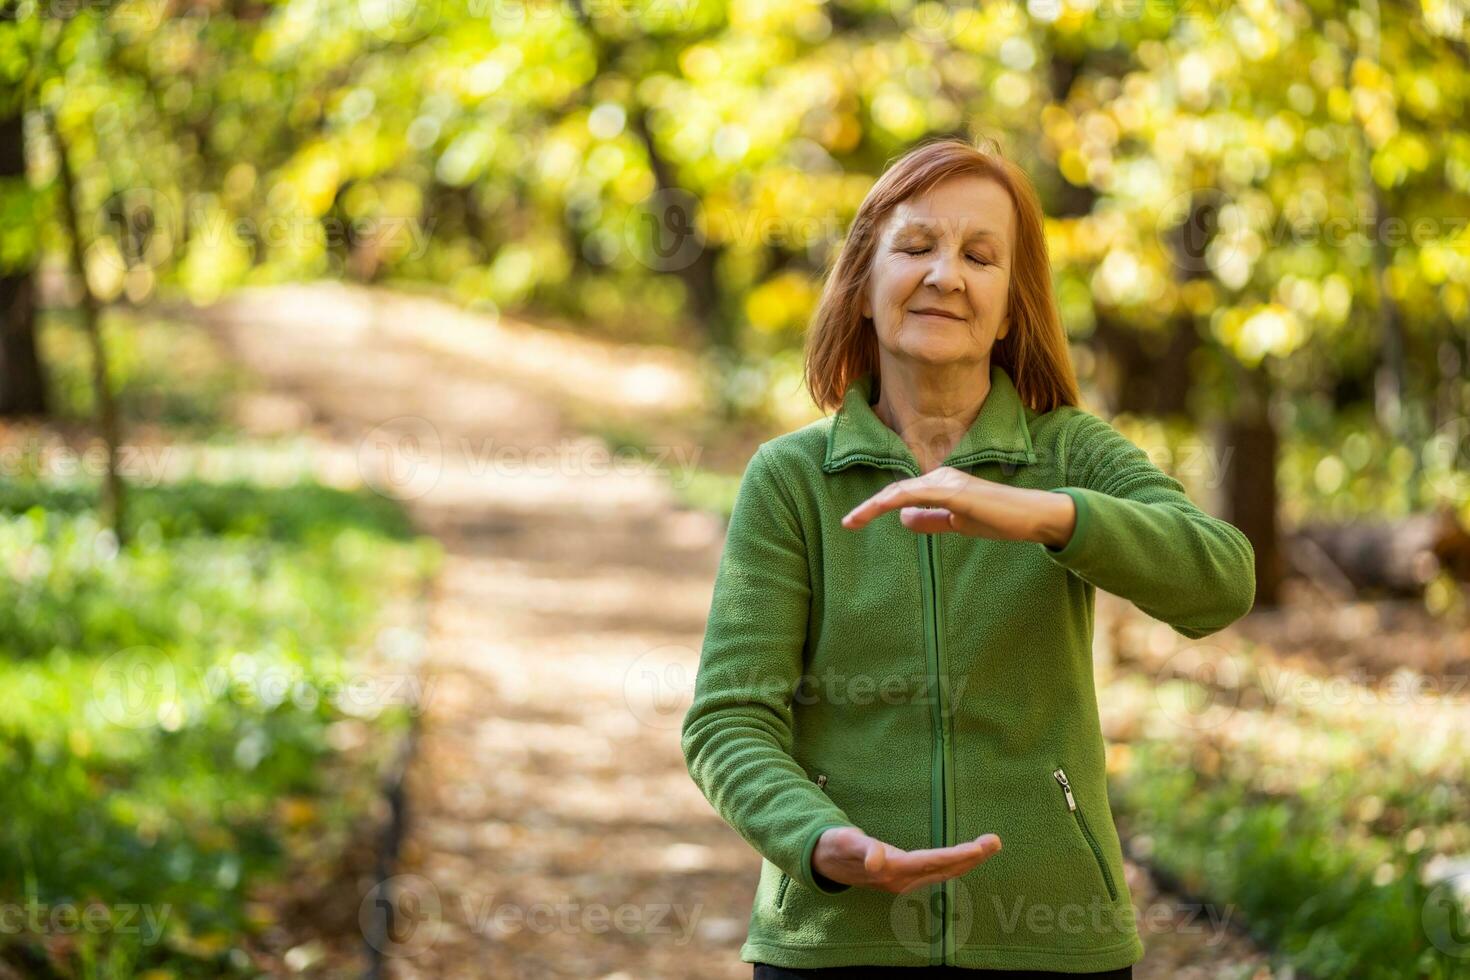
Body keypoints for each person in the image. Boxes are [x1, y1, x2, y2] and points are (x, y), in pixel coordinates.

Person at [680, 136, 1256, 978]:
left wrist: (1043, 516)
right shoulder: (791, 480)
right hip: (837, 943)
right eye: (916, 247)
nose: (946, 275)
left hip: (1054, 943)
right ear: (863, 283)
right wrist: (819, 841)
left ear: (1012, 304)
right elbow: (727, 719)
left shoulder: (1070, 456)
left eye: (980, 257)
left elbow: (1221, 579)